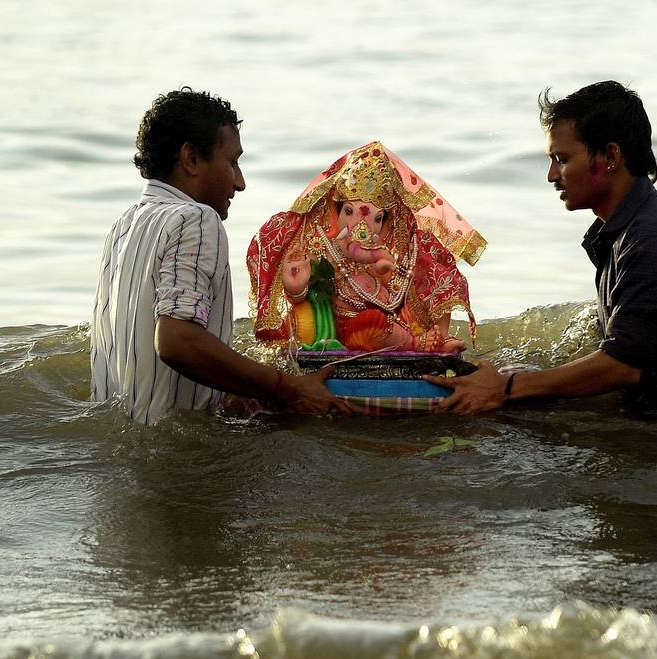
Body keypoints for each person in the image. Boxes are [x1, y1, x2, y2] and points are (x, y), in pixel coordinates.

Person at [426, 81, 657, 415]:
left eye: (561, 159)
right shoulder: (628, 229)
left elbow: (623, 365)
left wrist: (506, 388)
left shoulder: (655, 239)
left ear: (610, 157)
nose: (551, 176)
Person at [90, 88, 352, 424]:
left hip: (120, 446)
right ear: (191, 159)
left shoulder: (123, 225)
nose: (240, 182)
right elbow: (177, 341)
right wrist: (290, 388)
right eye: (232, 162)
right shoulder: (197, 218)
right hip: (176, 456)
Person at [248, 141, 485, 353]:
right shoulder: (324, 250)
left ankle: (433, 342)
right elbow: (306, 295)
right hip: (349, 328)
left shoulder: (386, 252)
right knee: (371, 322)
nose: (360, 225)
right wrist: (296, 288)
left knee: (411, 299)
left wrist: (390, 273)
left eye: (377, 219)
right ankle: (417, 345)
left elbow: (394, 294)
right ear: (336, 211)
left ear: (385, 224)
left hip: (385, 323)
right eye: (349, 211)